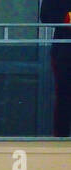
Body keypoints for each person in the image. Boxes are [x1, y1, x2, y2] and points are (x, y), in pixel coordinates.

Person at [42, 0, 71, 137]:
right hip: (64, 51)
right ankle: (62, 139)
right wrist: (68, 17)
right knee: (64, 97)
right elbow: (46, 16)